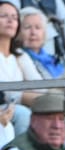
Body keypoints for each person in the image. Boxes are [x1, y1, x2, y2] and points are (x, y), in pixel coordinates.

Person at [0, 0, 42, 134]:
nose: (10, 21)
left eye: (14, 18)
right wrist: (23, 97)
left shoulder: (20, 55)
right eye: (4, 16)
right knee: (23, 114)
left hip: (19, 106)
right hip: (6, 107)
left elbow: (40, 85)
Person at [18, 6, 65, 79]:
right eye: (27, 27)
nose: (33, 32)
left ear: (44, 33)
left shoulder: (53, 59)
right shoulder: (18, 59)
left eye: (37, 27)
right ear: (18, 33)